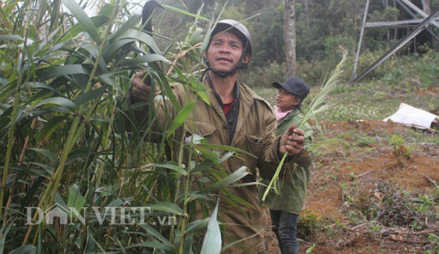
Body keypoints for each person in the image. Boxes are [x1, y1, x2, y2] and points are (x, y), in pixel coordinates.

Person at [129, 19, 306, 253]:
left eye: (233, 45)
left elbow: (267, 169)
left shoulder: (259, 110)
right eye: (217, 43)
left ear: (245, 57)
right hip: (190, 232)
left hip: (243, 235)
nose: (224, 49)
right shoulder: (179, 95)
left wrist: (281, 151)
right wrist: (138, 100)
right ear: (207, 53)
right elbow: (145, 128)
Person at [259, 77, 313, 254]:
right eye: (279, 91)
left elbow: (308, 158)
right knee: (276, 229)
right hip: (275, 186)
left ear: (296, 100)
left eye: (285, 93)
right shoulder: (274, 118)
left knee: (286, 232)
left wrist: (299, 149)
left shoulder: (301, 123)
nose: (279, 96)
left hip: (291, 188)